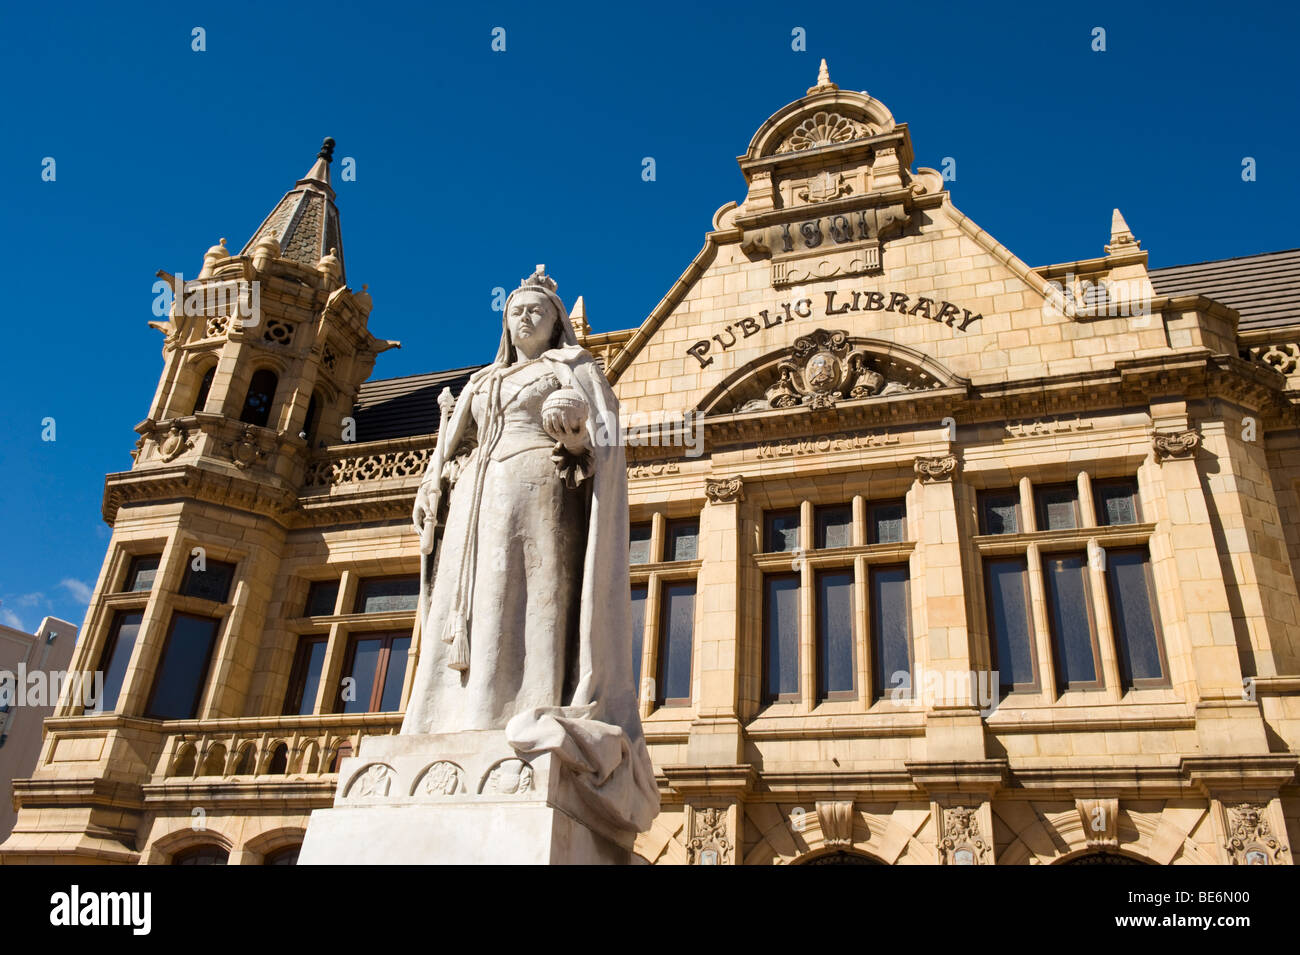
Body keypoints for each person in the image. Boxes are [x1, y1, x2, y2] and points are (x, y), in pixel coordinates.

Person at [401, 265, 659, 835]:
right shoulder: (480, 381)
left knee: (536, 595)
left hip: (540, 487)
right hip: (477, 494)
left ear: (556, 323)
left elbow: (604, 437)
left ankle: (532, 700)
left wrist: (575, 431)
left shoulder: (574, 368)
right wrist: (430, 487)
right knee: (468, 598)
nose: (525, 318)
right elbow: (444, 453)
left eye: (536, 312)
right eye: (516, 311)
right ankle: (456, 715)